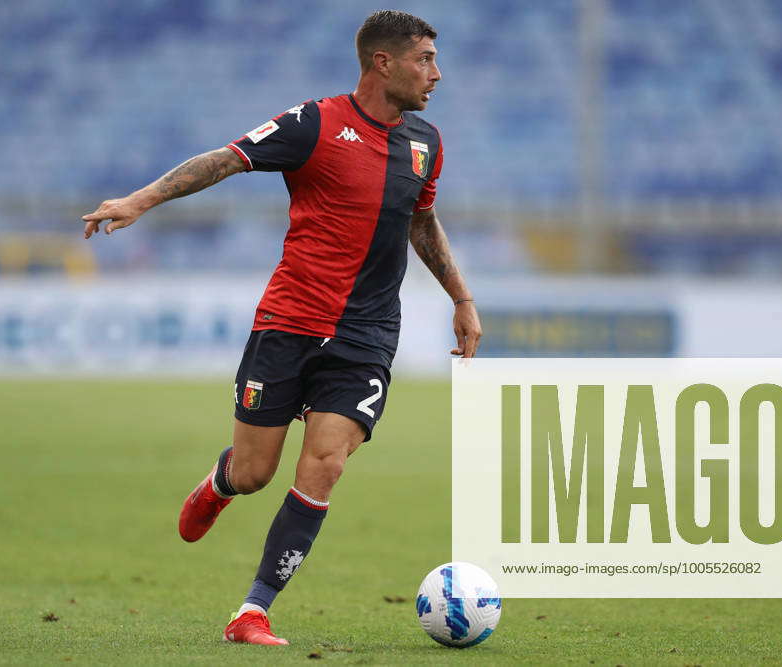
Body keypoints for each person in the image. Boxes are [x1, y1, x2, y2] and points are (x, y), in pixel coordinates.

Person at [81, 10, 481, 646]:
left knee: (324, 463)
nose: (436, 73)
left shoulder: (426, 142)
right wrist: (139, 201)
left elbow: (421, 219)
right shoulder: (313, 124)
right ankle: (221, 482)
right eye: (425, 59)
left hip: (366, 335)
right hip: (290, 321)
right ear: (383, 62)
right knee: (255, 471)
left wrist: (460, 296)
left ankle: (252, 611)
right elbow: (226, 160)